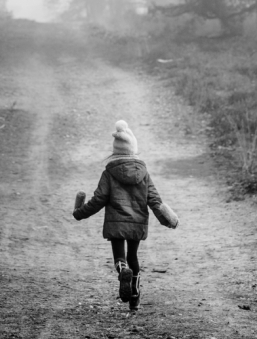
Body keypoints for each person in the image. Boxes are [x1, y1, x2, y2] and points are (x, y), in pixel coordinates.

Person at [72, 119, 178, 311]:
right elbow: (155, 201)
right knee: (133, 256)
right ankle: (135, 297)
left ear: (115, 152)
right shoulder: (144, 174)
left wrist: (80, 213)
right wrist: (169, 220)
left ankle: (123, 271)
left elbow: (98, 199)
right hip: (137, 223)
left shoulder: (109, 173)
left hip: (116, 225)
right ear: (133, 150)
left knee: (120, 258)